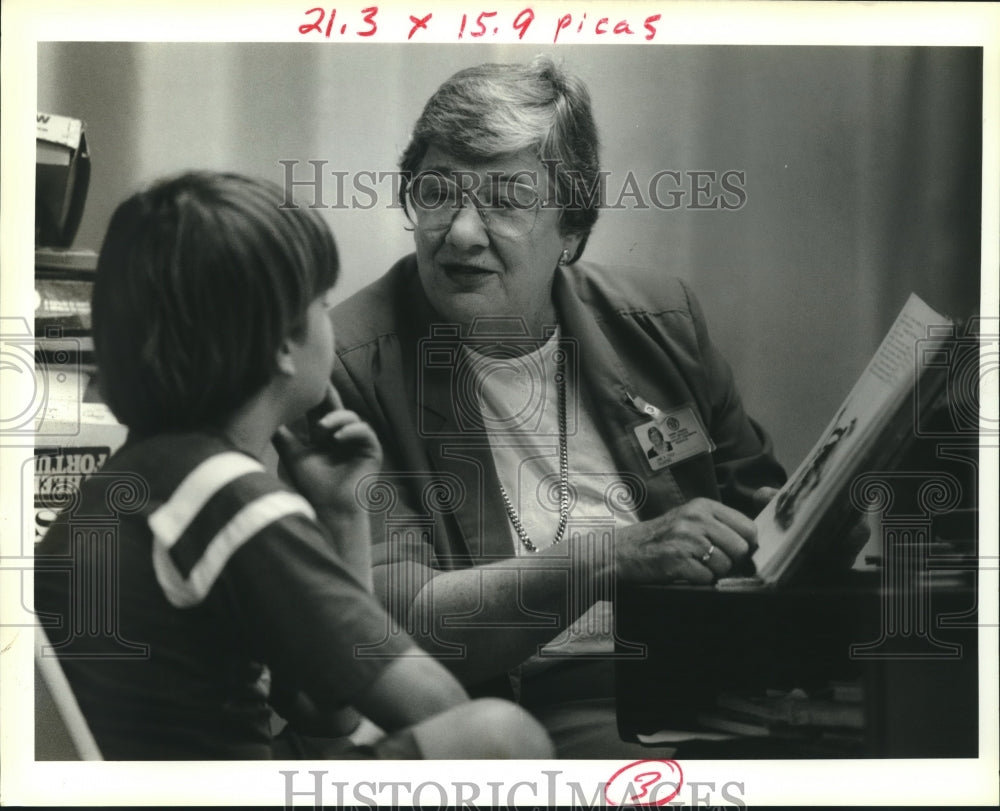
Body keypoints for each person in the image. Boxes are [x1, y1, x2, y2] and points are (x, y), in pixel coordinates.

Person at [330, 58, 866, 757]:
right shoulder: (353, 363)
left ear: (572, 230)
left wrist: (816, 526)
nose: (460, 232)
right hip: (521, 712)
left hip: (710, 683)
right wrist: (610, 557)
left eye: (505, 199)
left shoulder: (658, 323)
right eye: (436, 193)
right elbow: (403, 622)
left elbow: (755, 511)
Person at [33, 172, 552, 760]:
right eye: (322, 307)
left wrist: (342, 514)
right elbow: (435, 704)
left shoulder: (124, 487)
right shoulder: (233, 503)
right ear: (283, 343)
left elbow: (325, 712)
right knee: (500, 735)